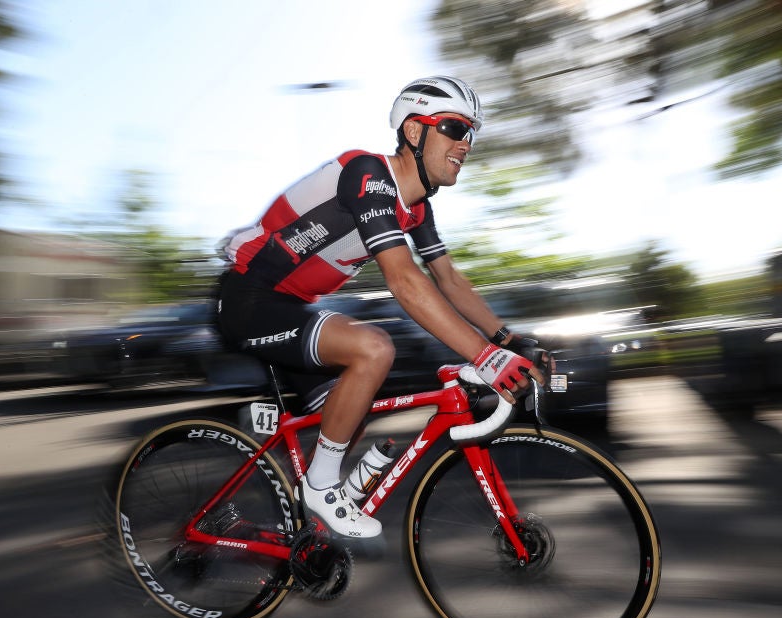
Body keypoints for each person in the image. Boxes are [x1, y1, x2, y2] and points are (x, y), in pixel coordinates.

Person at [217, 76, 545, 538]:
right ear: (414, 132)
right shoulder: (367, 174)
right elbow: (404, 279)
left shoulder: (416, 209)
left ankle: (300, 526)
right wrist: (484, 357)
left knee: (354, 405)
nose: (465, 144)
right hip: (249, 301)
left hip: (292, 307)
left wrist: (506, 339)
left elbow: (448, 279)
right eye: (454, 128)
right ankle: (320, 489)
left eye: (470, 134)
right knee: (372, 349)